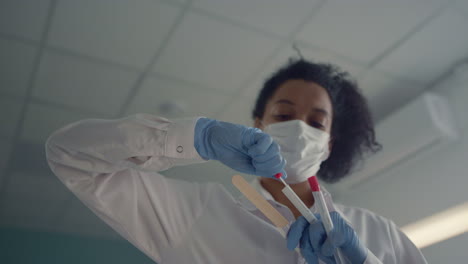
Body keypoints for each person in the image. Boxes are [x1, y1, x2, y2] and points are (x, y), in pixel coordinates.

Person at [45, 59, 427, 264]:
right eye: (283, 114)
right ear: (258, 125)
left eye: (316, 123)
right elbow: (70, 155)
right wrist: (196, 138)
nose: (299, 129)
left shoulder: (379, 235)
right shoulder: (195, 215)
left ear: (328, 145)